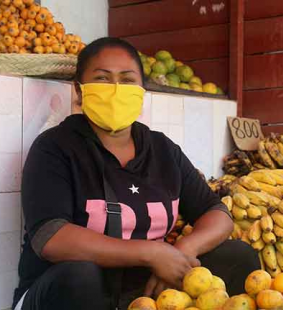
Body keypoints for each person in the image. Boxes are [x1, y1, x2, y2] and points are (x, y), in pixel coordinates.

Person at [13, 37, 260, 310]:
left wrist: (181, 253)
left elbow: (217, 214)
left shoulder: (162, 150)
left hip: (143, 294)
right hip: (65, 294)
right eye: (103, 79)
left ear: (141, 91)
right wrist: (150, 253)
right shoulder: (55, 147)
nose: (116, 89)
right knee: (78, 276)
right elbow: (51, 237)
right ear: (79, 91)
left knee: (238, 256)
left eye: (127, 80)